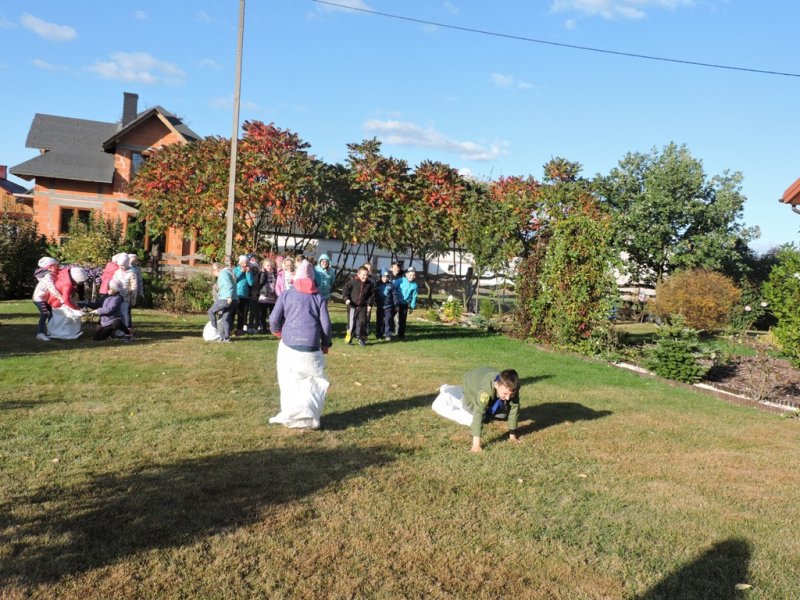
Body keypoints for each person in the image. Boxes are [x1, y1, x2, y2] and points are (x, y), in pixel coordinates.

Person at [269, 260, 332, 430]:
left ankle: (291, 414)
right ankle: (310, 416)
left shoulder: (287, 295)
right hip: (312, 346)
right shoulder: (318, 298)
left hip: (289, 344)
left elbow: (274, 319)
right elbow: (326, 324)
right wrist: (326, 343)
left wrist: (277, 332)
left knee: (289, 381)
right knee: (311, 381)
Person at [462, 367, 521, 453]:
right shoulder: (485, 391)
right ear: (496, 385)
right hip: (470, 382)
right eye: (505, 393)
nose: (508, 398)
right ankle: (463, 397)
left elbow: (514, 408)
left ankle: (492, 405)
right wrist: (476, 445)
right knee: (471, 408)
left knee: (502, 415)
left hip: (485, 374)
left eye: (510, 394)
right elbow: (478, 413)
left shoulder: (514, 386)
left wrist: (512, 436)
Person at [32, 257, 64, 341]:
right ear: (50, 266)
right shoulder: (48, 276)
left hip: (44, 299)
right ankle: (40, 334)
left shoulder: (50, 275)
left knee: (52, 313)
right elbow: (52, 288)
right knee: (44, 314)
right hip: (39, 299)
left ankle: (51, 332)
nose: (57, 267)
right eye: (55, 266)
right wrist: (61, 298)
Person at [342, 265, 374, 347]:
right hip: (352, 306)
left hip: (362, 307)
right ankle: (348, 340)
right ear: (358, 274)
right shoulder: (352, 282)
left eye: (367, 275)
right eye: (363, 275)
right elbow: (345, 291)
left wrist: (369, 304)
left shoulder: (369, 284)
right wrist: (346, 299)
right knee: (351, 324)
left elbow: (371, 295)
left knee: (363, 322)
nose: (365, 276)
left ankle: (362, 339)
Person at [208, 261, 238, 342]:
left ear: (216, 270)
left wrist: (229, 296)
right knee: (225, 318)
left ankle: (214, 332)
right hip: (234, 300)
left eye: (213, 273)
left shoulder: (223, 273)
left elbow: (228, 285)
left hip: (226, 298)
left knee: (211, 311)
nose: (214, 275)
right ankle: (226, 338)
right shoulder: (229, 272)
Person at [395, 267, 418, 339]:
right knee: (391, 318)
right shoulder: (400, 280)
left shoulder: (415, 285)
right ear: (406, 274)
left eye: (414, 275)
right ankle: (387, 333)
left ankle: (401, 335)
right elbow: (393, 288)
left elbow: (414, 296)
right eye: (410, 275)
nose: (412, 277)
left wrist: (412, 306)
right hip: (396, 303)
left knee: (402, 320)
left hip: (404, 304)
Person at [233, 255, 254, 335]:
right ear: (240, 263)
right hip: (235, 295)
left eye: (246, 262)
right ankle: (230, 328)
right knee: (233, 313)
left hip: (244, 296)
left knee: (242, 314)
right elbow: (234, 279)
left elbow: (250, 283)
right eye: (243, 262)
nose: (244, 264)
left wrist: (248, 273)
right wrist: (241, 272)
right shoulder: (235, 270)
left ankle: (239, 330)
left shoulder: (249, 271)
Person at [257, 257, 278, 334]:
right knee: (263, 314)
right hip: (264, 296)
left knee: (272, 314)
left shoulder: (274, 274)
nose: (269, 267)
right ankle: (263, 327)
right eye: (267, 265)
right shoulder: (262, 273)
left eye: (270, 265)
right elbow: (261, 282)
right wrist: (263, 273)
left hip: (273, 297)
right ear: (264, 266)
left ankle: (271, 328)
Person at [374, 269, 395, 340]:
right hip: (380, 306)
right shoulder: (377, 285)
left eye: (386, 277)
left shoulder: (391, 285)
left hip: (389, 306)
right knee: (379, 321)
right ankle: (379, 334)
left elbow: (394, 295)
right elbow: (374, 294)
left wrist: (396, 304)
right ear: (380, 277)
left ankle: (388, 334)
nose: (385, 278)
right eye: (383, 277)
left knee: (388, 320)